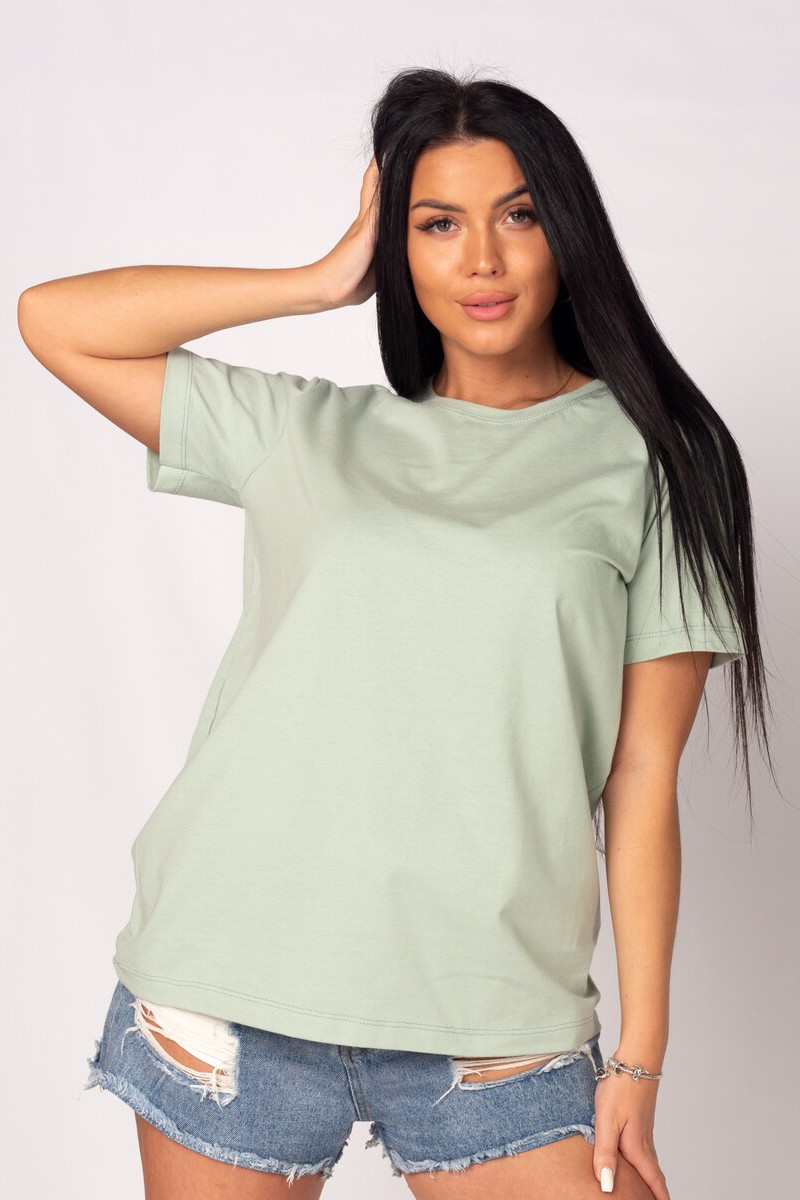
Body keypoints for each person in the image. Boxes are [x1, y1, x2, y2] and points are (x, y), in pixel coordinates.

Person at [17, 67, 775, 1200]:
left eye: (518, 215)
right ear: (398, 249)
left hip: (494, 1019)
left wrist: (639, 1059)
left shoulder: (660, 459)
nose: (482, 261)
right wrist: (321, 280)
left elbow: (641, 775)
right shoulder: (305, 432)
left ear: (566, 230)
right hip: (232, 982)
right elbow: (53, 321)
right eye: (438, 224)